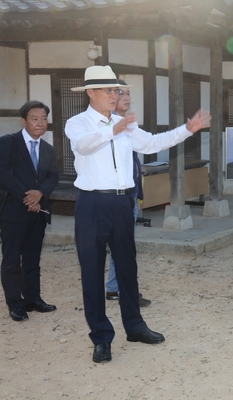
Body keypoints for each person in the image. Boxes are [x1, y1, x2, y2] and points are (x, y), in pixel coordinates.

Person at [65, 65, 211, 363]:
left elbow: (153, 143)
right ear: (91, 93)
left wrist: (188, 129)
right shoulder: (77, 123)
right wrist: (112, 130)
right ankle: (102, 338)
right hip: (93, 204)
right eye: (109, 90)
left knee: (127, 268)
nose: (114, 94)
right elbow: (84, 145)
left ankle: (134, 326)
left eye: (116, 90)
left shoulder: (125, 124)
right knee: (92, 273)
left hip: (122, 203)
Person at [0, 101, 59, 322]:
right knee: (12, 259)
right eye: (35, 118)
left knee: (33, 259)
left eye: (44, 118)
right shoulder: (8, 143)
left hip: (38, 212)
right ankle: (15, 304)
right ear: (24, 121)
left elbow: (53, 176)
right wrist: (28, 196)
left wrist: (40, 194)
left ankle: (33, 298)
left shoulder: (48, 149)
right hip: (13, 212)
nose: (40, 123)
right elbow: (3, 173)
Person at [104, 81, 151, 307]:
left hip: (130, 193)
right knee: (121, 245)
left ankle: (115, 287)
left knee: (124, 244)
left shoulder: (129, 125)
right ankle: (119, 288)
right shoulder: (106, 125)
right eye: (120, 93)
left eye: (128, 93)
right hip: (113, 196)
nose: (126, 97)